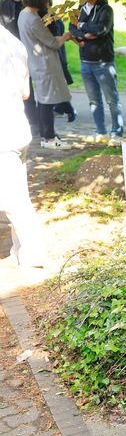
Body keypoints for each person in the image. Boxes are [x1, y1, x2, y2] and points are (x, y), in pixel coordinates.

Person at [0, 18, 48, 267]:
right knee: (17, 195)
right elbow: (25, 93)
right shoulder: (13, 42)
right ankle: (22, 250)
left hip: (3, 137)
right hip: (17, 128)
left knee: (13, 201)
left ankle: (33, 253)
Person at [18, 0, 74, 149]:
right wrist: (65, 36)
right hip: (44, 64)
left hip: (36, 63)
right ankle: (49, 138)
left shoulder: (23, 14)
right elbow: (51, 42)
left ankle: (47, 136)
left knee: (44, 100)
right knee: (46, 102)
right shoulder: (33, 19)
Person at [70, 0, 124, 143]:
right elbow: (72, 29)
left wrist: (83, 27)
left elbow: (101, 29)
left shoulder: (105, 9)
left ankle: (117, 133)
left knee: (112, 100)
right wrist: (85, 33)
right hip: (85, 62)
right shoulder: (79, 9)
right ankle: (101, 132)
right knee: (94, 100)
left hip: (103, 62)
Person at [2, 0, 39, 137]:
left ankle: (36, 121)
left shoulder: (32, 4)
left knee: (30, 88)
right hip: (10, 53)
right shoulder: (2, 5)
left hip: (31, 50)